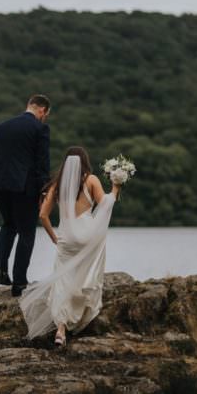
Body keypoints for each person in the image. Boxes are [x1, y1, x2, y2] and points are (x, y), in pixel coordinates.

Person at [18, 146, 120, 345]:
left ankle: (61, 330)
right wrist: (116, 187)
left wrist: (54, 238)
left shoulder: (57, 184)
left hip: (66, 238)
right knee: (86, 273)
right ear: (85, 161)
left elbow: (43, 215)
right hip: (87, 236)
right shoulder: (91, 180)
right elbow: (105, 205)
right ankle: (82, 312)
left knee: (63, 281)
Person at [0, 94, 51, 297]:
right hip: (24, 186)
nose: (44, 118)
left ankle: (1, 270)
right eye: (46, 115)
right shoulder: (40, 129)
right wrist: (44, 190)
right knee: (27, 232)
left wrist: (3, 169)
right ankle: (19, 282)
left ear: (28, 106)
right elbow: (42, 162)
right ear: (42, 110)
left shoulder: (3, 126)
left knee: (8, 224)